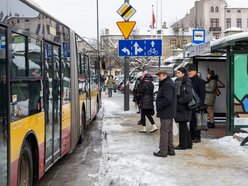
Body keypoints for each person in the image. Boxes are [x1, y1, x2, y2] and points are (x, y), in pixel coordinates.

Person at [153, 70, 176, 157]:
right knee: (169, 131)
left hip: (166, 111)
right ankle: (170, 150)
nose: (159, 77)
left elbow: (167, 99)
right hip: (168, 111)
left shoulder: (167, 84)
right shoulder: (168, 83)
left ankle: (163, 151)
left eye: (160, 76)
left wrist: (159, 104)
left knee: (164, 131)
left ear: (164, 75)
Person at [174, 67, 193, 150]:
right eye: (176, 73)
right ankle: (188, 144)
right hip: (180, 107)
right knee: (183, 126)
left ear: (183, 73)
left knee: (183, 126)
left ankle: (183, 145)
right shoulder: (178, 81)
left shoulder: (186, 81)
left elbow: (188, 95)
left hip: (184, 107)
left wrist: (179, 101)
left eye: (178, 73)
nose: (177, 74)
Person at [187, 64, 206, 143]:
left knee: (197, 121)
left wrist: (201, 104)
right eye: (188, 71)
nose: (189, 73)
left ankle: (197, 137)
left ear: (195, 71)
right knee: (191, 121)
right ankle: (191, 136)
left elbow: (202, 94)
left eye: (190, 71)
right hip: (190, 104)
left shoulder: (200, 81)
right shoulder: (188, 80)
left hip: (197, 104)